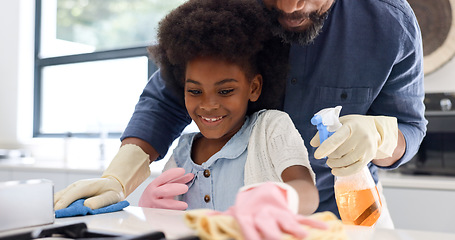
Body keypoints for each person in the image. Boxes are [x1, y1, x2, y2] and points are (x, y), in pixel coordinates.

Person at [54, 0, 427, 228]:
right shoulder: (225, 6)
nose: (291, 5)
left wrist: (380, 136)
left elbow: (410, 127)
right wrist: (121, 177)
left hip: (344, 214)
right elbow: (168, 97)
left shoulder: (390, 22)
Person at [135, 0, 318, 216]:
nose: (208, 105)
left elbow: (307, 191)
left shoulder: (270, 129)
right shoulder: (183, 152)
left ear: (254, 87)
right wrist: (148, 209)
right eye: (194, 91)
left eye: (225, 91)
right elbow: (168, 222)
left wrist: (285, 198)